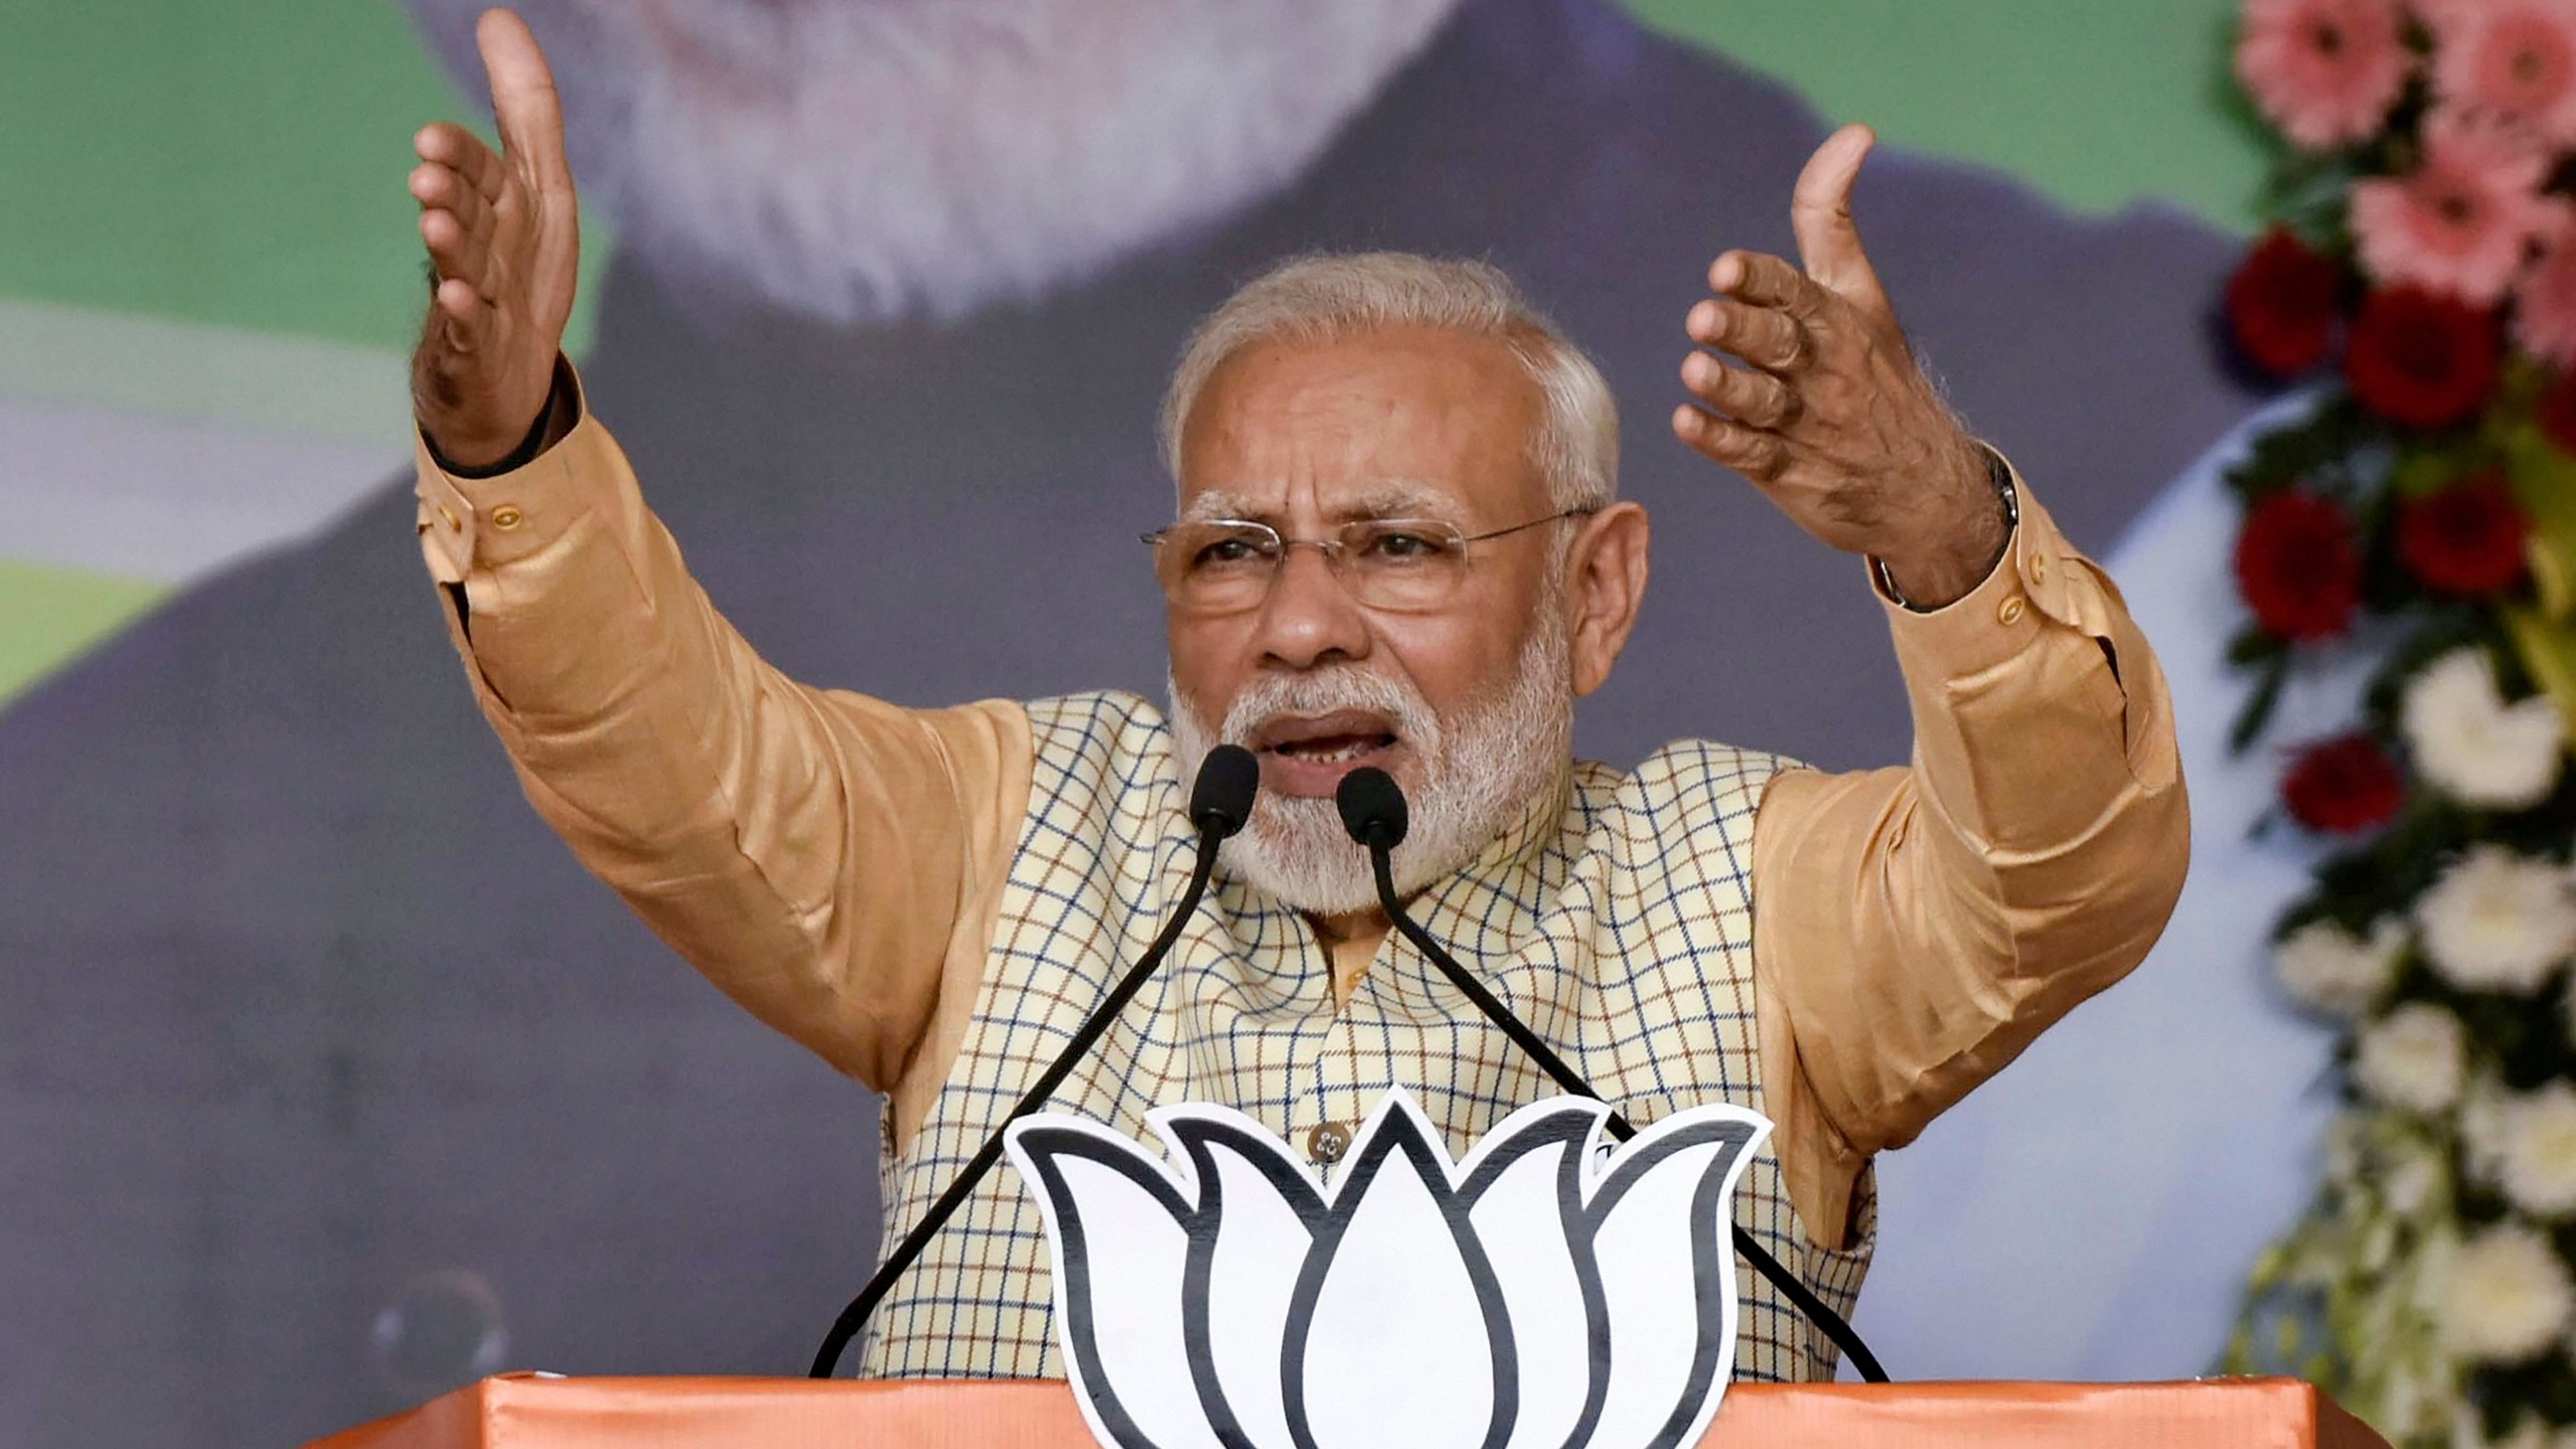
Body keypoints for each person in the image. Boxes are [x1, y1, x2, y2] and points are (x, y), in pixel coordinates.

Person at [405, 11, 2188, 1382]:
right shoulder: (1000, 841)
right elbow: (675, 770)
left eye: (1398, 548)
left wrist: (1950, 540)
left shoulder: (1750, 888)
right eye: (1230, 555)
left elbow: (2053, 885)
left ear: (1595, 590)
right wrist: (518, 457)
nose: (1297, 629)